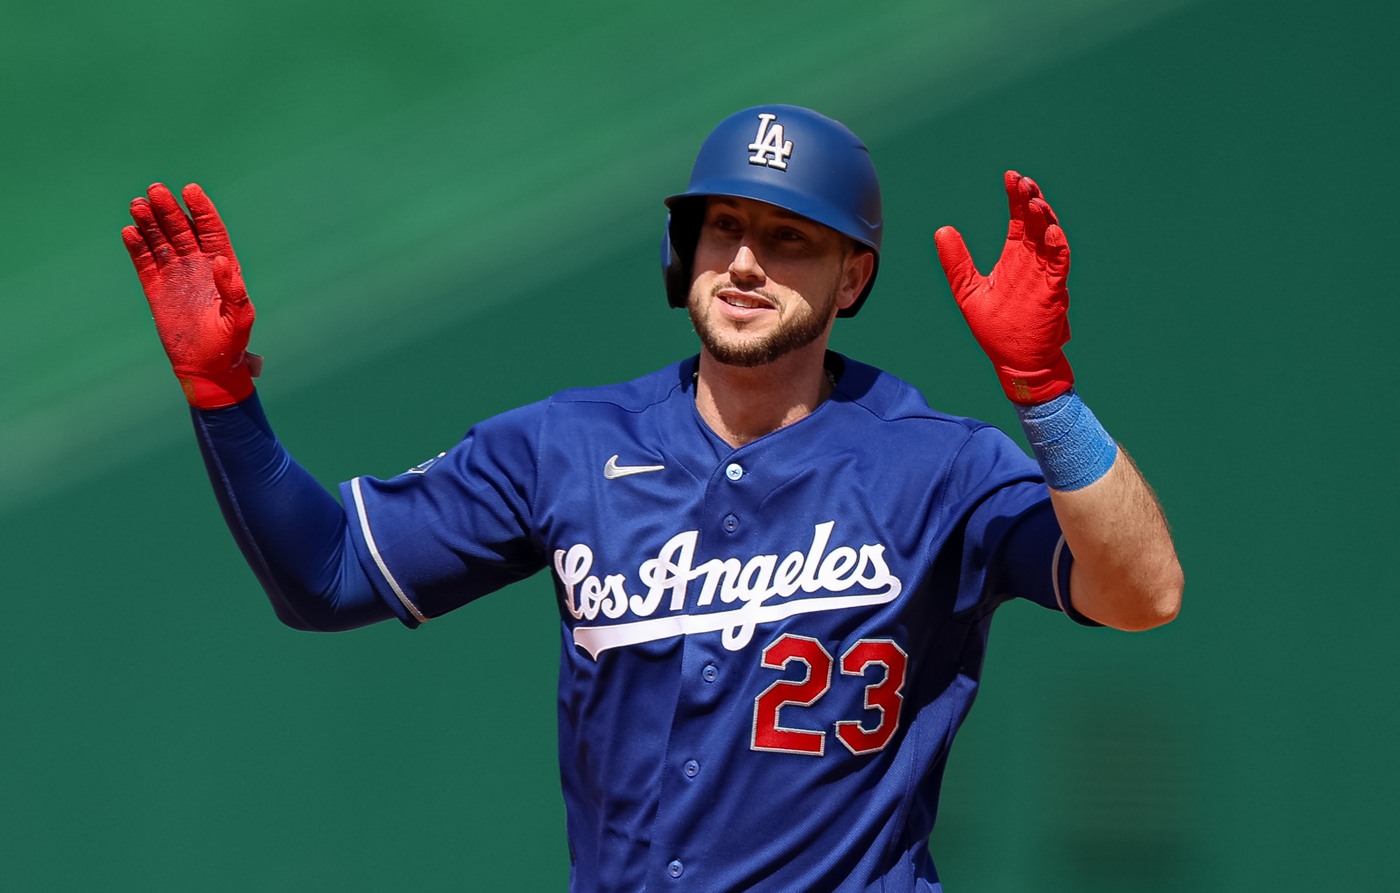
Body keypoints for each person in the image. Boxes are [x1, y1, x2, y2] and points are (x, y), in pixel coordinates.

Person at [122, 105, 1182, 892]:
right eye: (724, 228)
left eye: (790, 239)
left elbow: (1140, 592)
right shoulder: (568, 445)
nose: (746, 263)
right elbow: (328, 573)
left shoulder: (935, 464)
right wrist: (225, 400)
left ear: (851, 279)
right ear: (685, 249)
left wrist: (1045, 397)